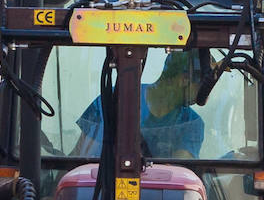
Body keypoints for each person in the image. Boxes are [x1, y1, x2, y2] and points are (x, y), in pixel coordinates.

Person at [73, 50, 204, 158]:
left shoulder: (191, 123)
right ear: (184, 79)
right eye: (204, 87)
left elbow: (181, 173)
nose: (206, 95)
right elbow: (81, 158)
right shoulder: (111, 101)